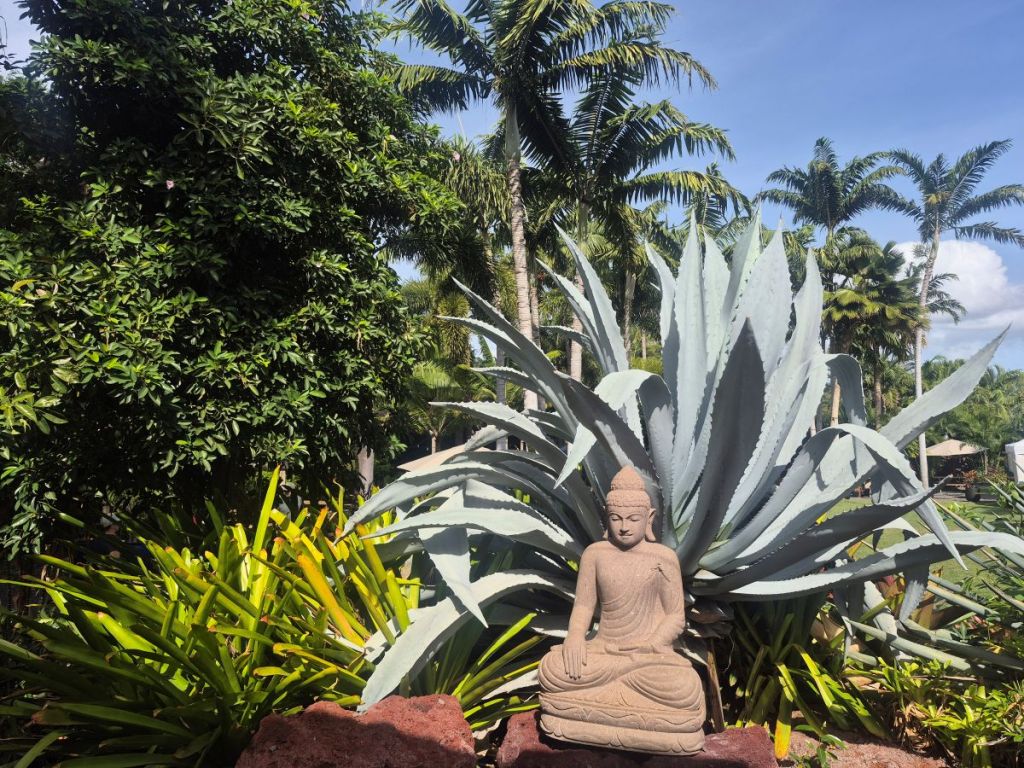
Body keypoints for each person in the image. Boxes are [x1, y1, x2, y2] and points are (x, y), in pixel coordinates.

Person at [538, 466, 705, 755]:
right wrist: (576, 638)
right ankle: (645, 722)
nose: (624, 526)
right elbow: (584, 606)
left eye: (633, 519)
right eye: (616, 518)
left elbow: (675, 616)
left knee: (685, 688)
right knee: (553, 671)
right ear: (606, 518)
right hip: (603, 650)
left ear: (649, 519)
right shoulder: (595, 554)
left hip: (648, 659)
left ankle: (591, 711)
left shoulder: (663, 558)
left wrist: (650, 646)